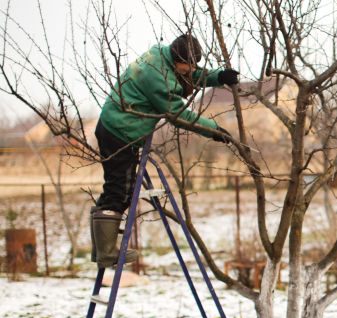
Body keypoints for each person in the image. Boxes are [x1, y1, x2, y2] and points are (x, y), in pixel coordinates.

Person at [91, 34, 239, 268]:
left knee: (115, 187)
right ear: (177, 58)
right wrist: (214, 130)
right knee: (119, 191)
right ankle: (107, 252)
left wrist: (218, 77)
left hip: (115, 126)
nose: (191, 70)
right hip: (120, 132)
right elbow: (179, 116)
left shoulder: (162, 55)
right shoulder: (158, 79)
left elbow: (187, 75)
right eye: (188, 65)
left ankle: (100, 249)